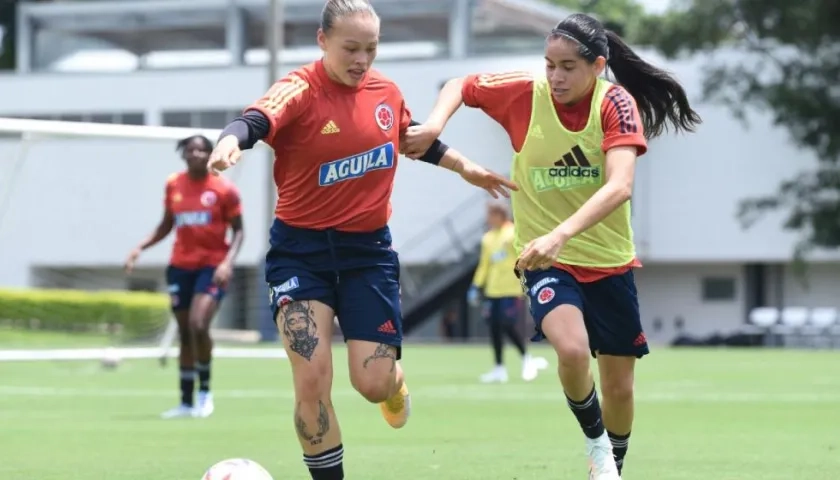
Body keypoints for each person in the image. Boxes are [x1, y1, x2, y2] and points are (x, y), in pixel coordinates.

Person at [206, 1, 516, 479]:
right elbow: (255, 120)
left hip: (366, 255)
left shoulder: (385, 94)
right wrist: (232, 141)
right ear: (322, 41)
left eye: (370, 49)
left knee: (371, 383)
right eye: (350, 48)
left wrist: (466, 167)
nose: (361, 59)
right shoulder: (300, 89)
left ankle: (394, 383)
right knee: (311, 380)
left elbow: (415, 139)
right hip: (299, 254)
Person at [404, 13, 701, 480]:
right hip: (545, 260)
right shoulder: (526, 93)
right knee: (573, 350)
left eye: (568, 67)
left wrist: (562, 233)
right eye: (549, 64)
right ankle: (596, 447)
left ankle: (612, 466)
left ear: (598, 65)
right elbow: (461, 83)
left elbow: (620, 185)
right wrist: (433, 126)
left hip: (608, 261)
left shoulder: (616, 103)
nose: (556, 76)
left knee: (620, 388)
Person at [125, 135, 245, 419]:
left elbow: (239, 230)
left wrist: (227, 262)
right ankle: (185, 401)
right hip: (180, 266)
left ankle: (205, 394)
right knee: (184, 333)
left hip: (212, 267)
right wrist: (140, 247)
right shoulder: (174, 185)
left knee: (198, 324)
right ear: (183, 154)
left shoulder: (224, 190)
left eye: (202, 149)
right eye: (190, 150)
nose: (196, 154)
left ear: (210, 154)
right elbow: (167, 224)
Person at [469, 200, 547, 383]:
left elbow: (524, 256)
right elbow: (484, 265)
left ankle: (526, 359)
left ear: (498, 215)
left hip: (511, 290)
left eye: (490, 215)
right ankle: (499, 368)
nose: (488, 219)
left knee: (507, 323)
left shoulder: (513, 234)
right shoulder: (487, 238)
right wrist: (476, 285)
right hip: (493, 290)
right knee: (494, 327)